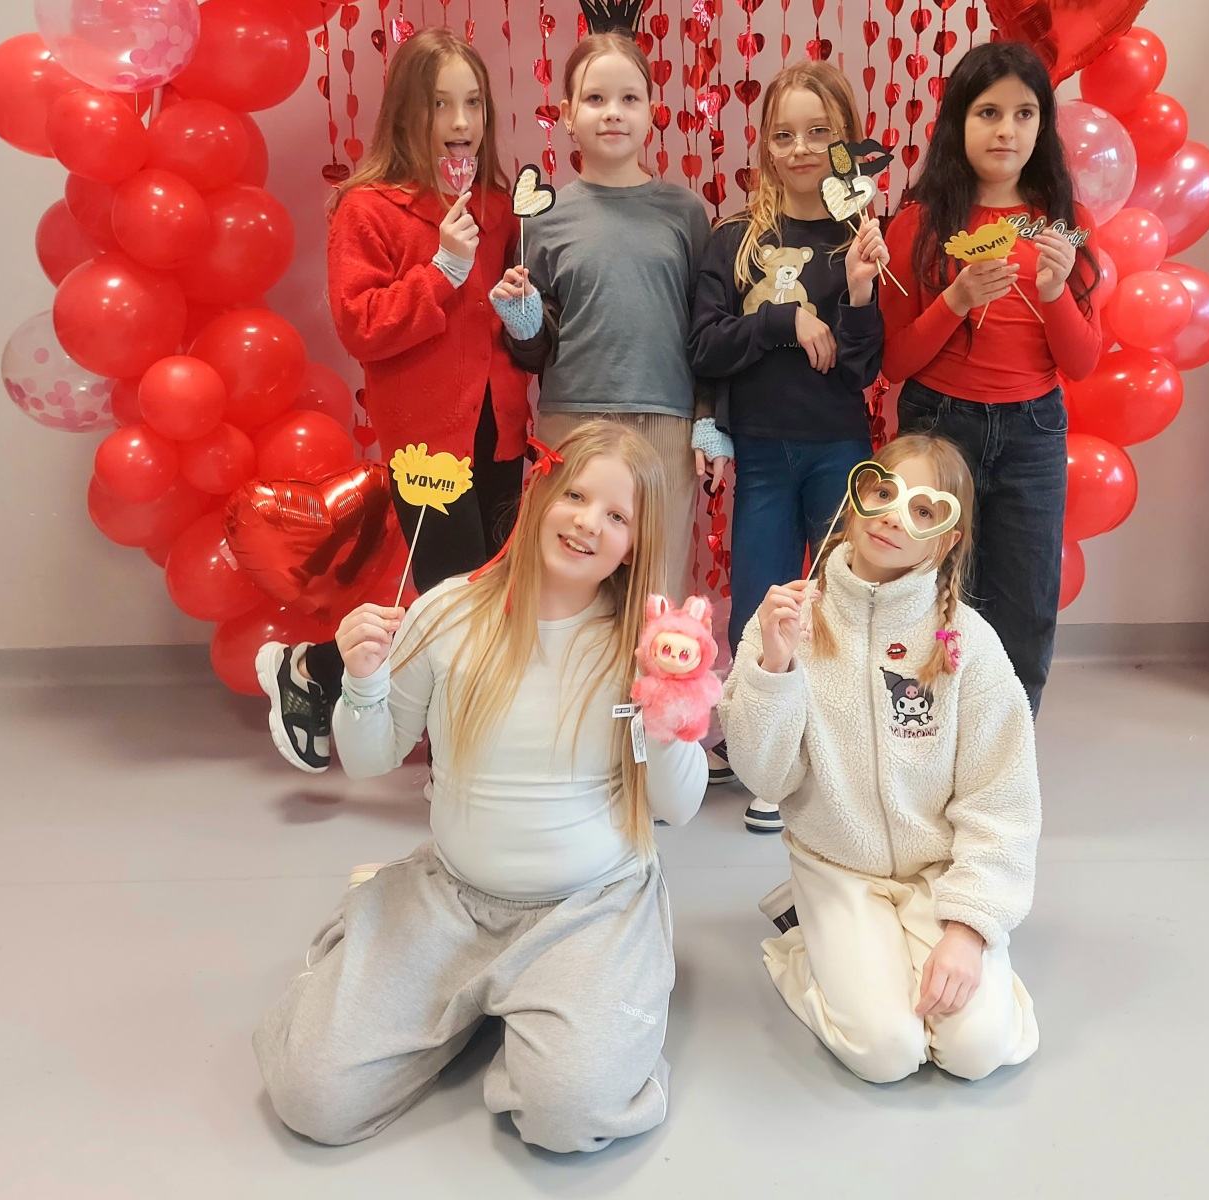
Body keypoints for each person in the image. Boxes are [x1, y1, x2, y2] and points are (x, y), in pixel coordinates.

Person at [253, 421, 708, 1153]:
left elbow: (679, 808)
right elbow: (369, 760)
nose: (588, 523)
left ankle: (570, 1002)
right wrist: (363, 684)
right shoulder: (447, 612)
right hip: (454, 895)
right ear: (539, 494)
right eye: (576, 496)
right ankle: (447, 965)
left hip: (592, 906)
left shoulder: (644, 644)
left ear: (634, 543)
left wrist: (667, 709)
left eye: (617, 516)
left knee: (569, 1114)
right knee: (312, 1097)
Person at [718, 434, 1041, 1083]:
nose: (896, 515)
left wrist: (969, 930)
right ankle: (805, 940)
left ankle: (922, 950)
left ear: (945, 540)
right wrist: (774, 667)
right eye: (884, 492)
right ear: (857, 496)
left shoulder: (968, 645)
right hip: (838, 867)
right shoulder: (789, 618)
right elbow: (766, 776)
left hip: (941, 872)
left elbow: (1002, 801)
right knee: (886, 1052)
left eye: (924, 510)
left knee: (977, 1051)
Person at [254, 28, 532, 772]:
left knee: (490, 598)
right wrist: (443, 269)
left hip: (500, 430)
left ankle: (315, 666)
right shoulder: (368, 209)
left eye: (473, 103)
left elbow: (508, 331)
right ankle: (460, 761)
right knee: (453, 605)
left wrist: (526, 313)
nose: (461, 121)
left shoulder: (501, 207)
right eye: (441, 104)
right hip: (428, 442)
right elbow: (362, 326)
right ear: (408, 111)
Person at [687, 59, 888, 831]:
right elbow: (705, 345)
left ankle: (826, 752)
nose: (799, 148)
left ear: (845, 141)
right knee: (761, 601)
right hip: (764, 454)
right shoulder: (736, 238)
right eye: (783, 134)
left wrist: (860, 293)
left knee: (840, 601)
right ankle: (756, 748)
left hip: (838, 448)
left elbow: (864, 368)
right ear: (764, 143)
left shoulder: (857, 237)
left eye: (817, 133)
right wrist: (783, 319)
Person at [880, 40, 1102, 716]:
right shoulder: (919, 225)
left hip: (1033, 432)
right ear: (958, 121)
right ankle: (922, 739)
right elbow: (894, 362)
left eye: (1024, 113)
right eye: (988, 112)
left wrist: (1055, 292)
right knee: (926, 595)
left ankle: (1005, 748)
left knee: (1025, 605)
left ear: (1043, 126)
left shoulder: (1066, 228)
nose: (1007, 130)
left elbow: (1083, 362)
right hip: (938, 427)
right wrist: (957, 299)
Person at [490, 21, 716, 602]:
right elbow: (535, 349)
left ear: (651, 112)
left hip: (665, 424)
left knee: (654, 588)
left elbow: (706, 328)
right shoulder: (543, 218)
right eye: (595, 98)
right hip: (571, 422)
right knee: (567, 585)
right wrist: (522, 322)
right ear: (568, 114)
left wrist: (709, 419)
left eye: (629, 99)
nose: (612, 113)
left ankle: (653, 669)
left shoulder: (686, 213)